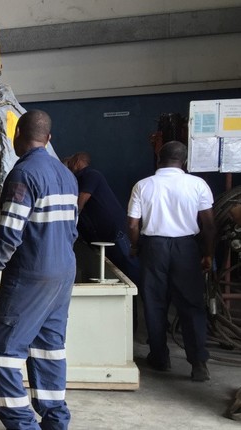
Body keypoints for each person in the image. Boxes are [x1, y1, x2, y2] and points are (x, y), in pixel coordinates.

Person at [0, 110, 78, 429]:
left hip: (31, 274)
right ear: (48, 139)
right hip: (63, 271)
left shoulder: (23, 175)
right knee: (48, 349)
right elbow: (73, 229)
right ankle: (56, 422)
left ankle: (23, 425)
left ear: (16, 138)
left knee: (1, 350)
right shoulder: (67, 175)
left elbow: (8, 236)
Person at [127, 140, 215, 382]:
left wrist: (135, 246)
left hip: (153, 248)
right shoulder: (198, 184)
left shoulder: (143, 186)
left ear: (158, 157)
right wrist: (207, 254)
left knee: (155, 304)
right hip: (187, 248)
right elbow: (208, 224)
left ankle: (160, 357)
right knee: (192, 305)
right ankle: (198, 363)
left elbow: (133, 224)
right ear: (184, 161)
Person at [64, 152, 142, 330]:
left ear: (77, 162)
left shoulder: (91, 176)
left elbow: (80, 204)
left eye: (68, 165)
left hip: (116, 236)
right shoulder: (79, 180)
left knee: (129, 279)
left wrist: (65, 227)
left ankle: (132, 325)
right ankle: (117, 323)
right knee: (113, 277)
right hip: (101, 239)